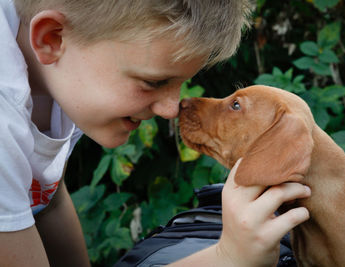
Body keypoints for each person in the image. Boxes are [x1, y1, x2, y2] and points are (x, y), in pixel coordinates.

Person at [0, 0, 311, 266]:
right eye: (154, 82)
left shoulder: (69, 72)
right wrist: (227, 258)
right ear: (53, 38)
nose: (172, 109)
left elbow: (47, 198)